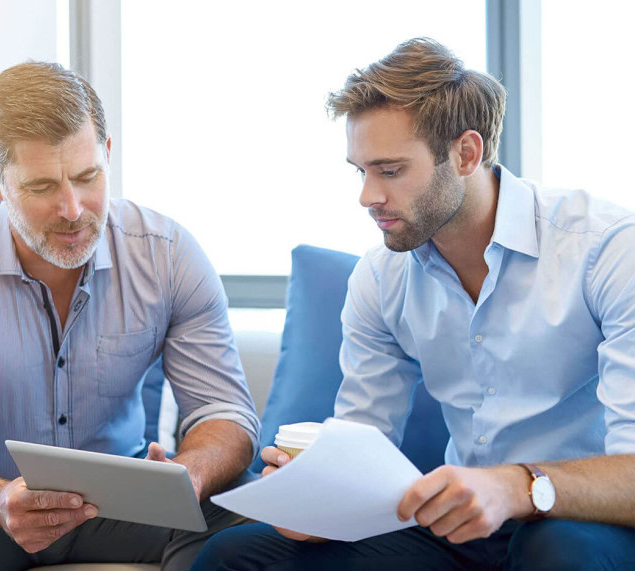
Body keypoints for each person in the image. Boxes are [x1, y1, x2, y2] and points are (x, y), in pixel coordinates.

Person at [192, 38, 635, 570]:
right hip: (459, 531)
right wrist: (316, 502)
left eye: (391, 170)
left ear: (466, 153)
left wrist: (517, 487)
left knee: (559, 549)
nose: (367, 196)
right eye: (361, 171)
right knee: (236, 555)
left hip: (582, 521)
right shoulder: (381, 278)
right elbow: (362, 443)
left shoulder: (604, 250)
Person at [0, 61, 260, 570]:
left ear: (107, 153)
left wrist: (188, 476)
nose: (72, 209)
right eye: (42, 187)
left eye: (88, 177)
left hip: (125, 509)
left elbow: (225, 413)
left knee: (245, 512)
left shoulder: (168, 253)